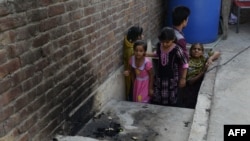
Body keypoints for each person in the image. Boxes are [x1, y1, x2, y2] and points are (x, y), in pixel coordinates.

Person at [147, 27, 188, 106]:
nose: (164, 44)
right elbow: (158, 54)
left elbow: (185, 63)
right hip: (160, 77)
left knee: (170, 99)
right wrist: (147, 55)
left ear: (173, 39)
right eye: (162, 42)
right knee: (159, 98)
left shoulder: (177, 49)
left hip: (172, 79)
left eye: (167, 42)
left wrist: (183, 78)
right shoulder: (159, 45)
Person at [181, 43, 221, 108]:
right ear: (190, 51)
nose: (196, 50)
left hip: (199, 83)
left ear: (202, 52)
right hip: (189, 87)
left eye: (199, 49)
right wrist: (203, 71)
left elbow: (218, 53)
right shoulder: (187, 61)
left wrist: (210, 58)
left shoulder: (203, 58)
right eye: (194, 49)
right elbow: (190, 82)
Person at [123, 26, 144, 101]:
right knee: (133, 91)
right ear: (138, 37)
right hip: (132, 76)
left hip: (134, 74)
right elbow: (131, 66)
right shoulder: (131, 50)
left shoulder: (131, 45)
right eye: (141, 34)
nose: (143, 36)